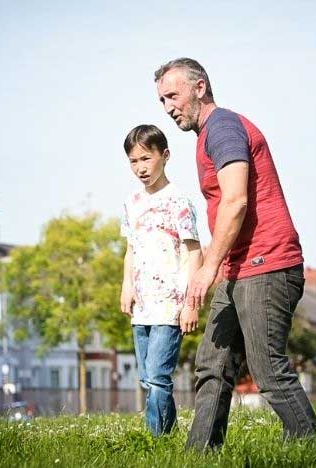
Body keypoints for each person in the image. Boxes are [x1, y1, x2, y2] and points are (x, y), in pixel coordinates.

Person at [154, 58, 316, 449]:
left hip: (266, 264)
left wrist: (207, 269)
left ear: (199, 87)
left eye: (173, 95)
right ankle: (200, 454)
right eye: (161, 100)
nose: (168, 107)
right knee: (213, 365)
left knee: (268, 370)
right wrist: (216, 265)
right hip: (238, 267)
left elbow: (236, 202)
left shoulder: (223, 127)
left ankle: (312, 448)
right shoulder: (209, 135)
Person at [120, 124, 202, 435]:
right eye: (133, 161)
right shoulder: (132, 203)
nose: (140, 168)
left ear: (164, 156)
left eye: (146, 159)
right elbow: (131, 248)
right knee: (147, 378)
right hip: (142, 305)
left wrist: (191, 304)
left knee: (157, 376)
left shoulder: (178, 201)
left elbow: (195, 253)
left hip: (171, 305)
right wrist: (126, 286)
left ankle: (157, 438)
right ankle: (168, 435)